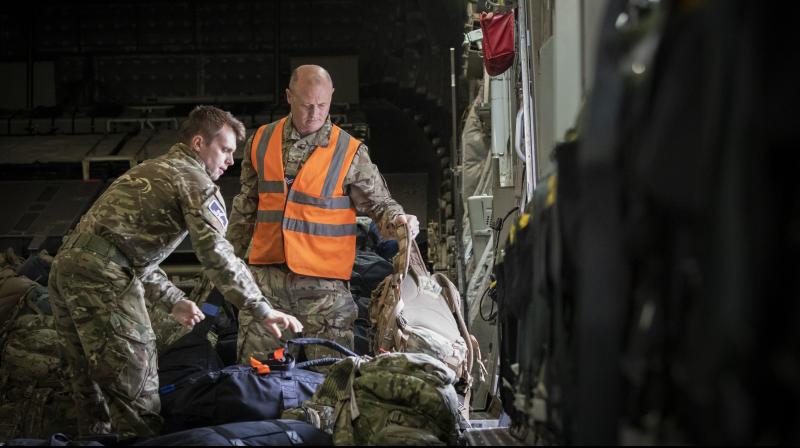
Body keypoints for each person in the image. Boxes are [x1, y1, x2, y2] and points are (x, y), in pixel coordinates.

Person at [47, 106, 303, 438]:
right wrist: (261, 308)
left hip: (66, 269)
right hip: (103, 277)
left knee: (89, 390)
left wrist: (173, 300)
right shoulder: (194, 180)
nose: (229, 160)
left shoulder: (151, 169)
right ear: (199, 143)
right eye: (225, 150)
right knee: (137, 391)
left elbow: (125, 253)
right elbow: (218, 255)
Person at [227, 65, 419, 362]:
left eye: (321, 105)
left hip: (325, 294)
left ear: (331, 97)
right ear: (289, 97)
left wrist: (399, 220)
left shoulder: (350, 152)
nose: (314, 113)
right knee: (258, 380)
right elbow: (246, 206)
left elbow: (380, 205)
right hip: (267, 287)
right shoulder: (261, 141)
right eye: (306, 105)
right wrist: (228, 262)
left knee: (329, 385)